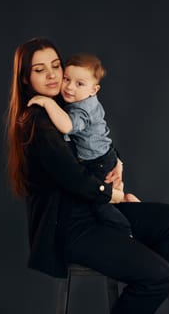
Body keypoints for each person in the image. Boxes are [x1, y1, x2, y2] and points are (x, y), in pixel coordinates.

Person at [6, 37, 169, 314]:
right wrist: (114, 195)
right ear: (24, 78)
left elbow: (93, 135)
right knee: (159, 277)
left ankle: (147, 282)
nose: (52, 75)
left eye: (56, 66)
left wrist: (117, 160)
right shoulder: (38, 121)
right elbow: (75, 179)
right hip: (72, 227)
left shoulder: (68, 102)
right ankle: (151, 279)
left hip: (95, 209)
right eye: (39, 70)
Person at [27, 52, 139, 236]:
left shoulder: (83, 107)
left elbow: (67, 126)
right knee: (102, 199)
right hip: (104, 155)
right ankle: (128, 201)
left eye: (79, 84)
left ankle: (126, 233)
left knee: (99, 205)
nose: (70, 87)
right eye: (66, 79)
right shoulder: (82, 99)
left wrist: (48, 103)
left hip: (97, 161)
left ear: (94, 90)